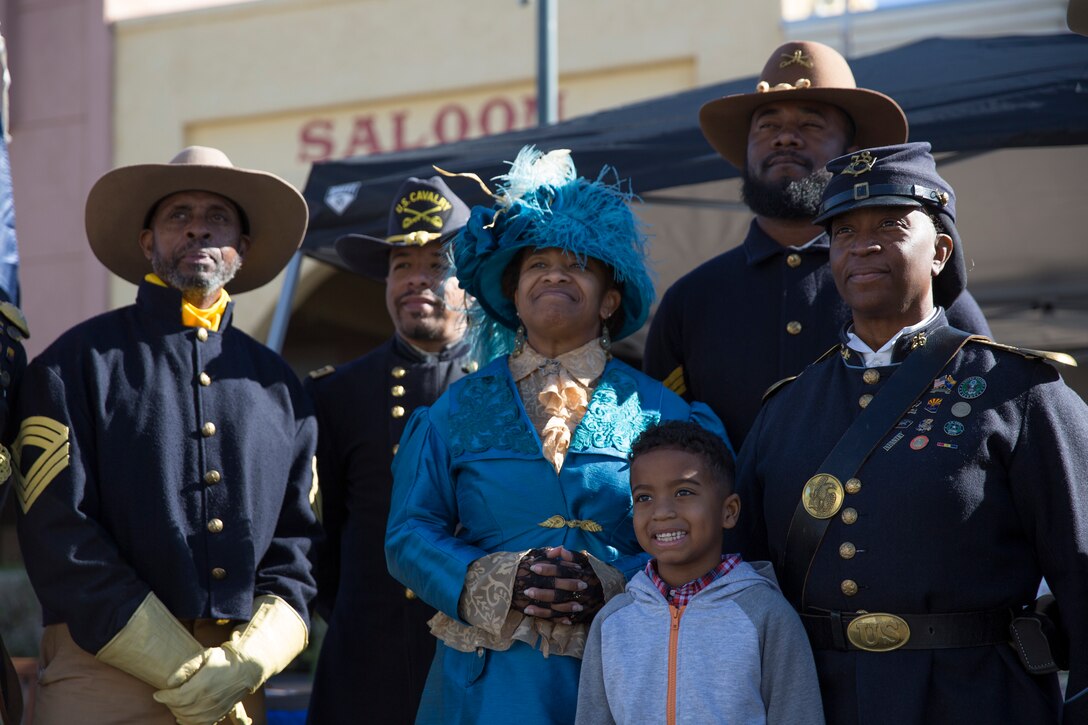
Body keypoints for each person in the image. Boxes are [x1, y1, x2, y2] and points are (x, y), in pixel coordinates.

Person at [730, 142, 1087, 723]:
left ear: (941, 251)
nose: (863, 244)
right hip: (820, 703)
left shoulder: (1017, 392)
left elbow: (1083, 568)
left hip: (980, 700)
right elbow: (738, 578)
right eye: (843, 232)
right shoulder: (785, 408)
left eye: (892, 225)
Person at [385, 146, 729, 725]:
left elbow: (704, 538)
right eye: (537, 264)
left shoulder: (663, 413)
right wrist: (492, 580)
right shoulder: (455, 409)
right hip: (487, 688)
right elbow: (409, 533)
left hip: (625, 675)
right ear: (513, 296)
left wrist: (615, 582)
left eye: (576, 264)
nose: (554, 274)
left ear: (609, 301)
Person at [13, 146, 319, 725]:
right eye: (178, 214)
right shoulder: (72, 366)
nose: (198, 227)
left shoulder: (281, 388)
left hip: (236, 680)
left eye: (217, 217)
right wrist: (173, 661)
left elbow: (296, 549)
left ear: (242, 250)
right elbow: (59, 535)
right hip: (101, 675)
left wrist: (249, 661)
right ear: (147, 242)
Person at [644, 40, 991, 449]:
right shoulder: (691, 300)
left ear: (853, 152)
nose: (785, 139)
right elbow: (661, 446)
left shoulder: (908, 283)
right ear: (747, 151)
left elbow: (979, 418)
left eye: (811, 125)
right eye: (767, 126)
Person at [306, 176, 474, 725]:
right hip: (367, 667)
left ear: (470, 282)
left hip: (477, 661)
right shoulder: (337, 394)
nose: (416, 280)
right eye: (402, 265)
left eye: (436, 264)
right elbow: (316, 542)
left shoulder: (508, 386)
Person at [575, 420, 822, 725]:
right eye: (644, 497)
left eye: (683, 492)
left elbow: (797, 715)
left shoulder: (765, 614)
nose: (662, 511)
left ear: (728, 511)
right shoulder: (613, 621)